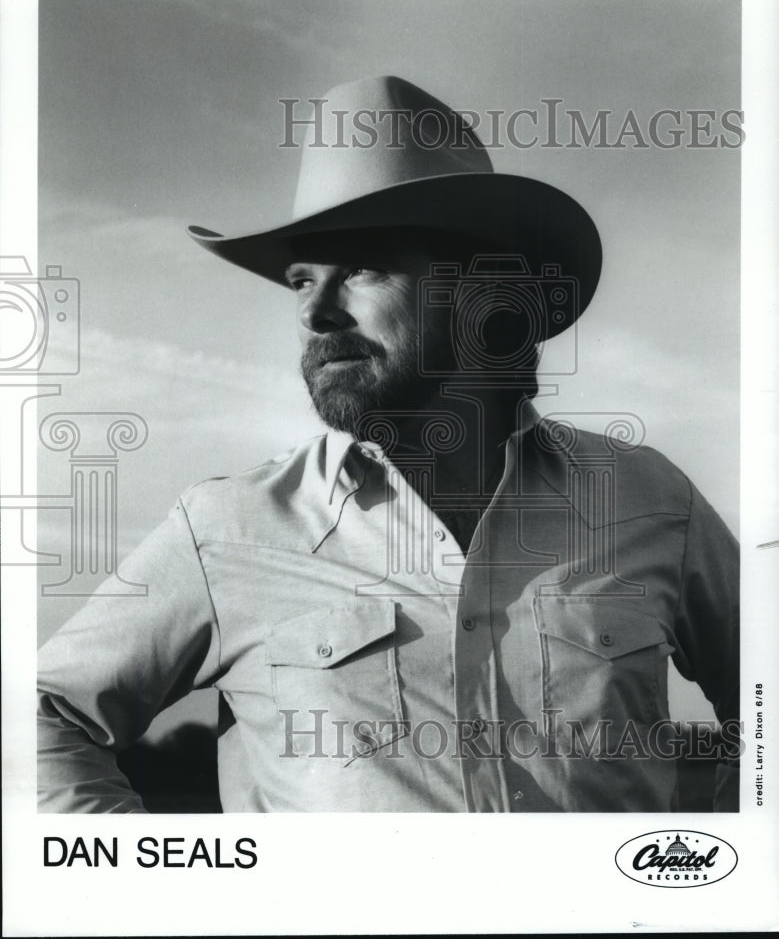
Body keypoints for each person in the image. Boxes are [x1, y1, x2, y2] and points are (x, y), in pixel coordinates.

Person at [38, 76, 739, 813]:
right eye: (300, 280)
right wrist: (167, 892)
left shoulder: (648, 500)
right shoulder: (227, 528)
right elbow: (41, 717)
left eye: (363, 267)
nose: (315, 311)